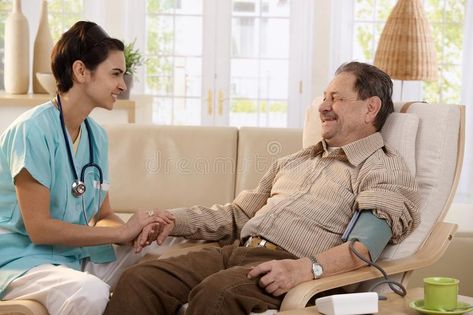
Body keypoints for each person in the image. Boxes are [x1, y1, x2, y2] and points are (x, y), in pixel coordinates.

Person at [105, 61, 421, 315]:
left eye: (336, 98)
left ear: (370, 108)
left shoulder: (382, 167)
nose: (323, 106)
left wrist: (304, 269)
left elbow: (362, 249)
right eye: (324, 97)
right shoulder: (293, 161)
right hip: (236, 253)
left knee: (217, 295)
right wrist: (174, 221)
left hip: (285, 267)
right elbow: (238, 215)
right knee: (141, 280)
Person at [0, 21, 173, 315]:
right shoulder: (32, 131)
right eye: (115, 74)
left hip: (72, 257)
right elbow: (39, 229)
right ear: (81, 71)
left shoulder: (97, 136)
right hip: (22, 261)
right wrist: (119, 235)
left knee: (163, 253)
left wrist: (135, 233)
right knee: (90, 291)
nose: (122, 85)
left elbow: (103, 215)